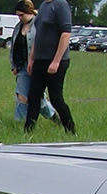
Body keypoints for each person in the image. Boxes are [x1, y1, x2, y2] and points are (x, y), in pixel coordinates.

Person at [24, 0, 75, 133]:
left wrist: (56, 61)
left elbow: (65, 34)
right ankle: (28, 130)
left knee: (56, 98)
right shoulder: (44, 5)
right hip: (40, 59)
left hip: (55, 60)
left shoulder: (61, 5)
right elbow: (38, 35)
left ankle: (70, 129)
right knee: (33, 96)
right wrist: (32, 58)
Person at [10, 0, 57, 122]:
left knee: (37, 98)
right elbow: (14, 47)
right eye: (18, 15)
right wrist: (13, 65)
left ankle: (53, 116)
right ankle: (19, 121)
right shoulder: (17, 28)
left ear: (29, 12)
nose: (19, 18)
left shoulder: (39, 25)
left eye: (22, 15)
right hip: (22, 67)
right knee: (22, 96)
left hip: (37, 66)